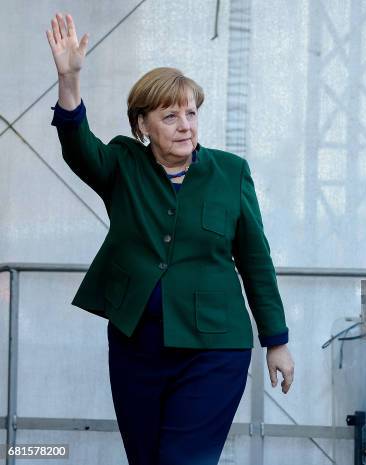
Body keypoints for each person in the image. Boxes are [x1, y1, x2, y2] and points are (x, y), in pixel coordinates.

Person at [46, 13, 294, 465]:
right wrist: (69, 79)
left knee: (185, 460)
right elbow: (76, 145)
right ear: (143, 125)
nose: (185, 125)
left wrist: (275, 340)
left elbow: (256, 259)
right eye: (170, 115)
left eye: (191, 113)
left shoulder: (230, 173)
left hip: (215, 350)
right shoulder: (123, 163)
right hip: (136, 347)